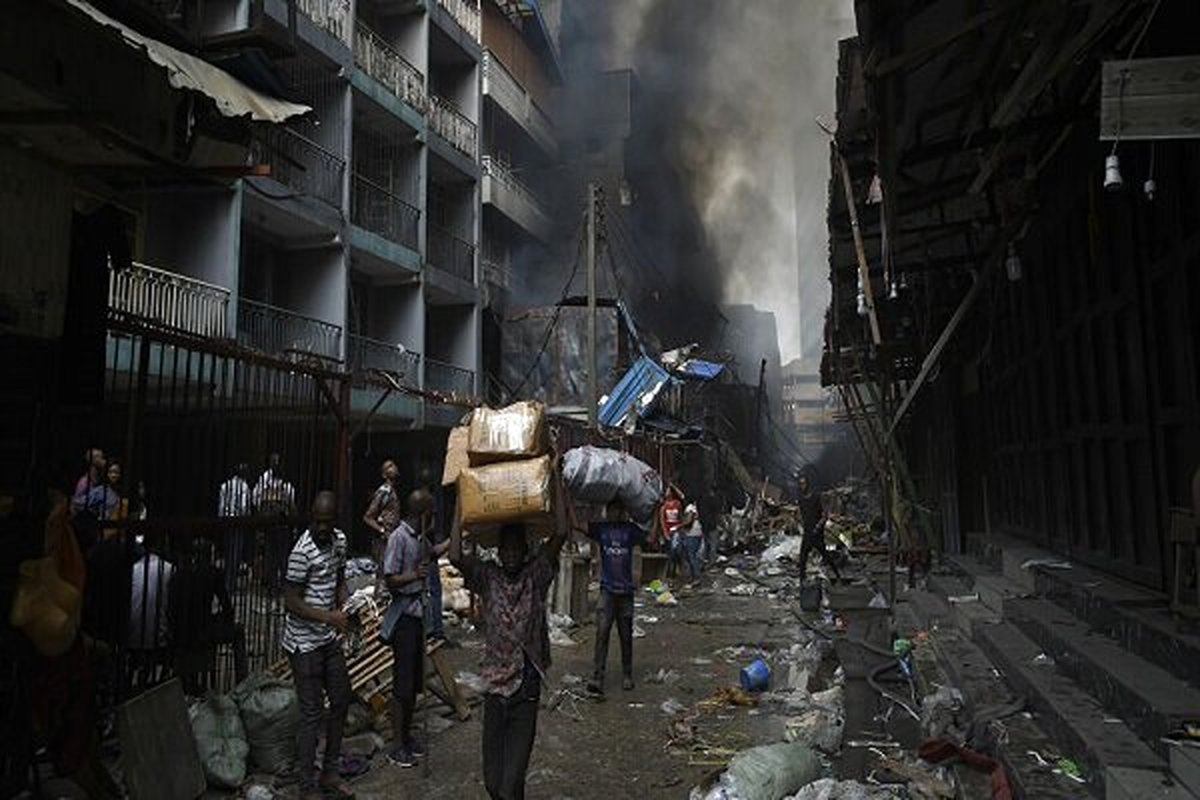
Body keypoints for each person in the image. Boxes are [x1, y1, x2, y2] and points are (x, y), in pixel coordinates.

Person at [449, 471, 569, 800]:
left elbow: (560, 533)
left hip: (526, 688)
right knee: (494, 784)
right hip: (494, 688)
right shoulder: (488, 577)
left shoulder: (537, 575)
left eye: (517, 548)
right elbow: (457, 557)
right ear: (499, 551)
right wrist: (462, 501)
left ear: (525, 549)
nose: (512, 554)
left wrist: (555, 479)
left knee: (510, 781)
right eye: (507, 548)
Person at [281, 491, 354, 800]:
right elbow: (291, 601)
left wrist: (347, 605)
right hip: (303, 642)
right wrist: (329, 617)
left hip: (326, 638)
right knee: (312, 713)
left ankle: (330, 772)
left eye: (328, 521)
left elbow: (338, 580)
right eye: (317, 521)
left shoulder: (339, 541)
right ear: (312, 518)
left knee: (341, 700)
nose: (322, 527)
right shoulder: (301, 551)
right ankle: (306, 786)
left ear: (335, 519)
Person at [381, 489, 434, 768]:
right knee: (402, 685)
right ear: (422, 514)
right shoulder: (398, 538)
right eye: (431, 513)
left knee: (414, 683)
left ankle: (407, 738)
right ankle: (396, 745)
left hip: (417, 617)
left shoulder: (419, 538)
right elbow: (390, 579)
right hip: (403, 618)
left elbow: (432, 554)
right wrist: (415, 575)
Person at [168, 538, 248, 696]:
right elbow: (227, 607)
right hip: (203, 631)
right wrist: (220, 618)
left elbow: (170, 609)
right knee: (238, 632)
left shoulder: (178, 574)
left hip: (180, 631)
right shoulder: (213, 573)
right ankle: (243, 683)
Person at [584, 500, 646, 696]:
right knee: (602, 634)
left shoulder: (630, 530)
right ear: (607, 511)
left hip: (625, 591)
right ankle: (597, 677)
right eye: (611, 510)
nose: (614, 513)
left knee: (625, 635)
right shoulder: (601, 530)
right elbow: (579, 525)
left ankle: (627, 674)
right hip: (607, 590)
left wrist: (655, 510)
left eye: (618, 510)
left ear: (623, 512)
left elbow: (650, 536)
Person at [254, 453, 296, 590]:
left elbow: (291, 506)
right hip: (270, 525)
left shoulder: (286, 485)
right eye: (273, 463)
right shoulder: (264, 480)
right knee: (271, 555)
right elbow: (256, 500)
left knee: (281, 556)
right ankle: (271, 583)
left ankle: (282, 584)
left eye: (277, 463)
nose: (275, 465)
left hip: (281, 526)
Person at [797, 473, 841, 583]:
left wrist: (817, 527)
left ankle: (838, 576)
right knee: (803, 558)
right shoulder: (801, 500)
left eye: (803, 484)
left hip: (817, 532)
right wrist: (802, 525)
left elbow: (825, 515)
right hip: (807, 532)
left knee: (825, 555)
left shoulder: (816, 497)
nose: (802, 486)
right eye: (800, 484)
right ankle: (802, 581)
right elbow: (802, 515)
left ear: (808, 484)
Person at [218, 463, 252, 591]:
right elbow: (243, 507)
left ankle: (227, 582)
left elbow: (221, 507)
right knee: (235, 553)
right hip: (237, 522)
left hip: (226, 522)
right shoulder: (243, 487)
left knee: (227, 553)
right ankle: (230, 584)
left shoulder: (225, 485)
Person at [363, 459, 401, 568]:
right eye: (389, 466)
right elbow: (367, 517)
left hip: (391, 537)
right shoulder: (384, 491)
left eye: (393, 464)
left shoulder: (392, 491)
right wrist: (382, 530)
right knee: (383, 572)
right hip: (383, 540)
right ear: (384, 475)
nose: (393, 467)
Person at [71, 447, 106, 515]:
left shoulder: (103, 480)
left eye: (102, 457)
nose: (102, 460)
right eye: (97, 457)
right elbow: (75, 505)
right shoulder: (84, 482)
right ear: (91, 460)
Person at [680, 502, 704, 584]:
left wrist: (679, 526)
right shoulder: (699, 506)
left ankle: (696, 577)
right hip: (698, 532)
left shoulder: (690, 507)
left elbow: (688, 521)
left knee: (690, 555)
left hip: (691, 533)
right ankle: (693, 576)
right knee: (692, 555)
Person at [658, 485, 683, 551]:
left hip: (676, 528)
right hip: (668, 528)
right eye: (666, 491)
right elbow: (662, 520)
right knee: (669, 547)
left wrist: (680, 527)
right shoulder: (663, 506)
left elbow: (680, 517)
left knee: (675, 546)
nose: (668, 493)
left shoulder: (677, 503)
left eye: (669, 491)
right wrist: (665, 533)